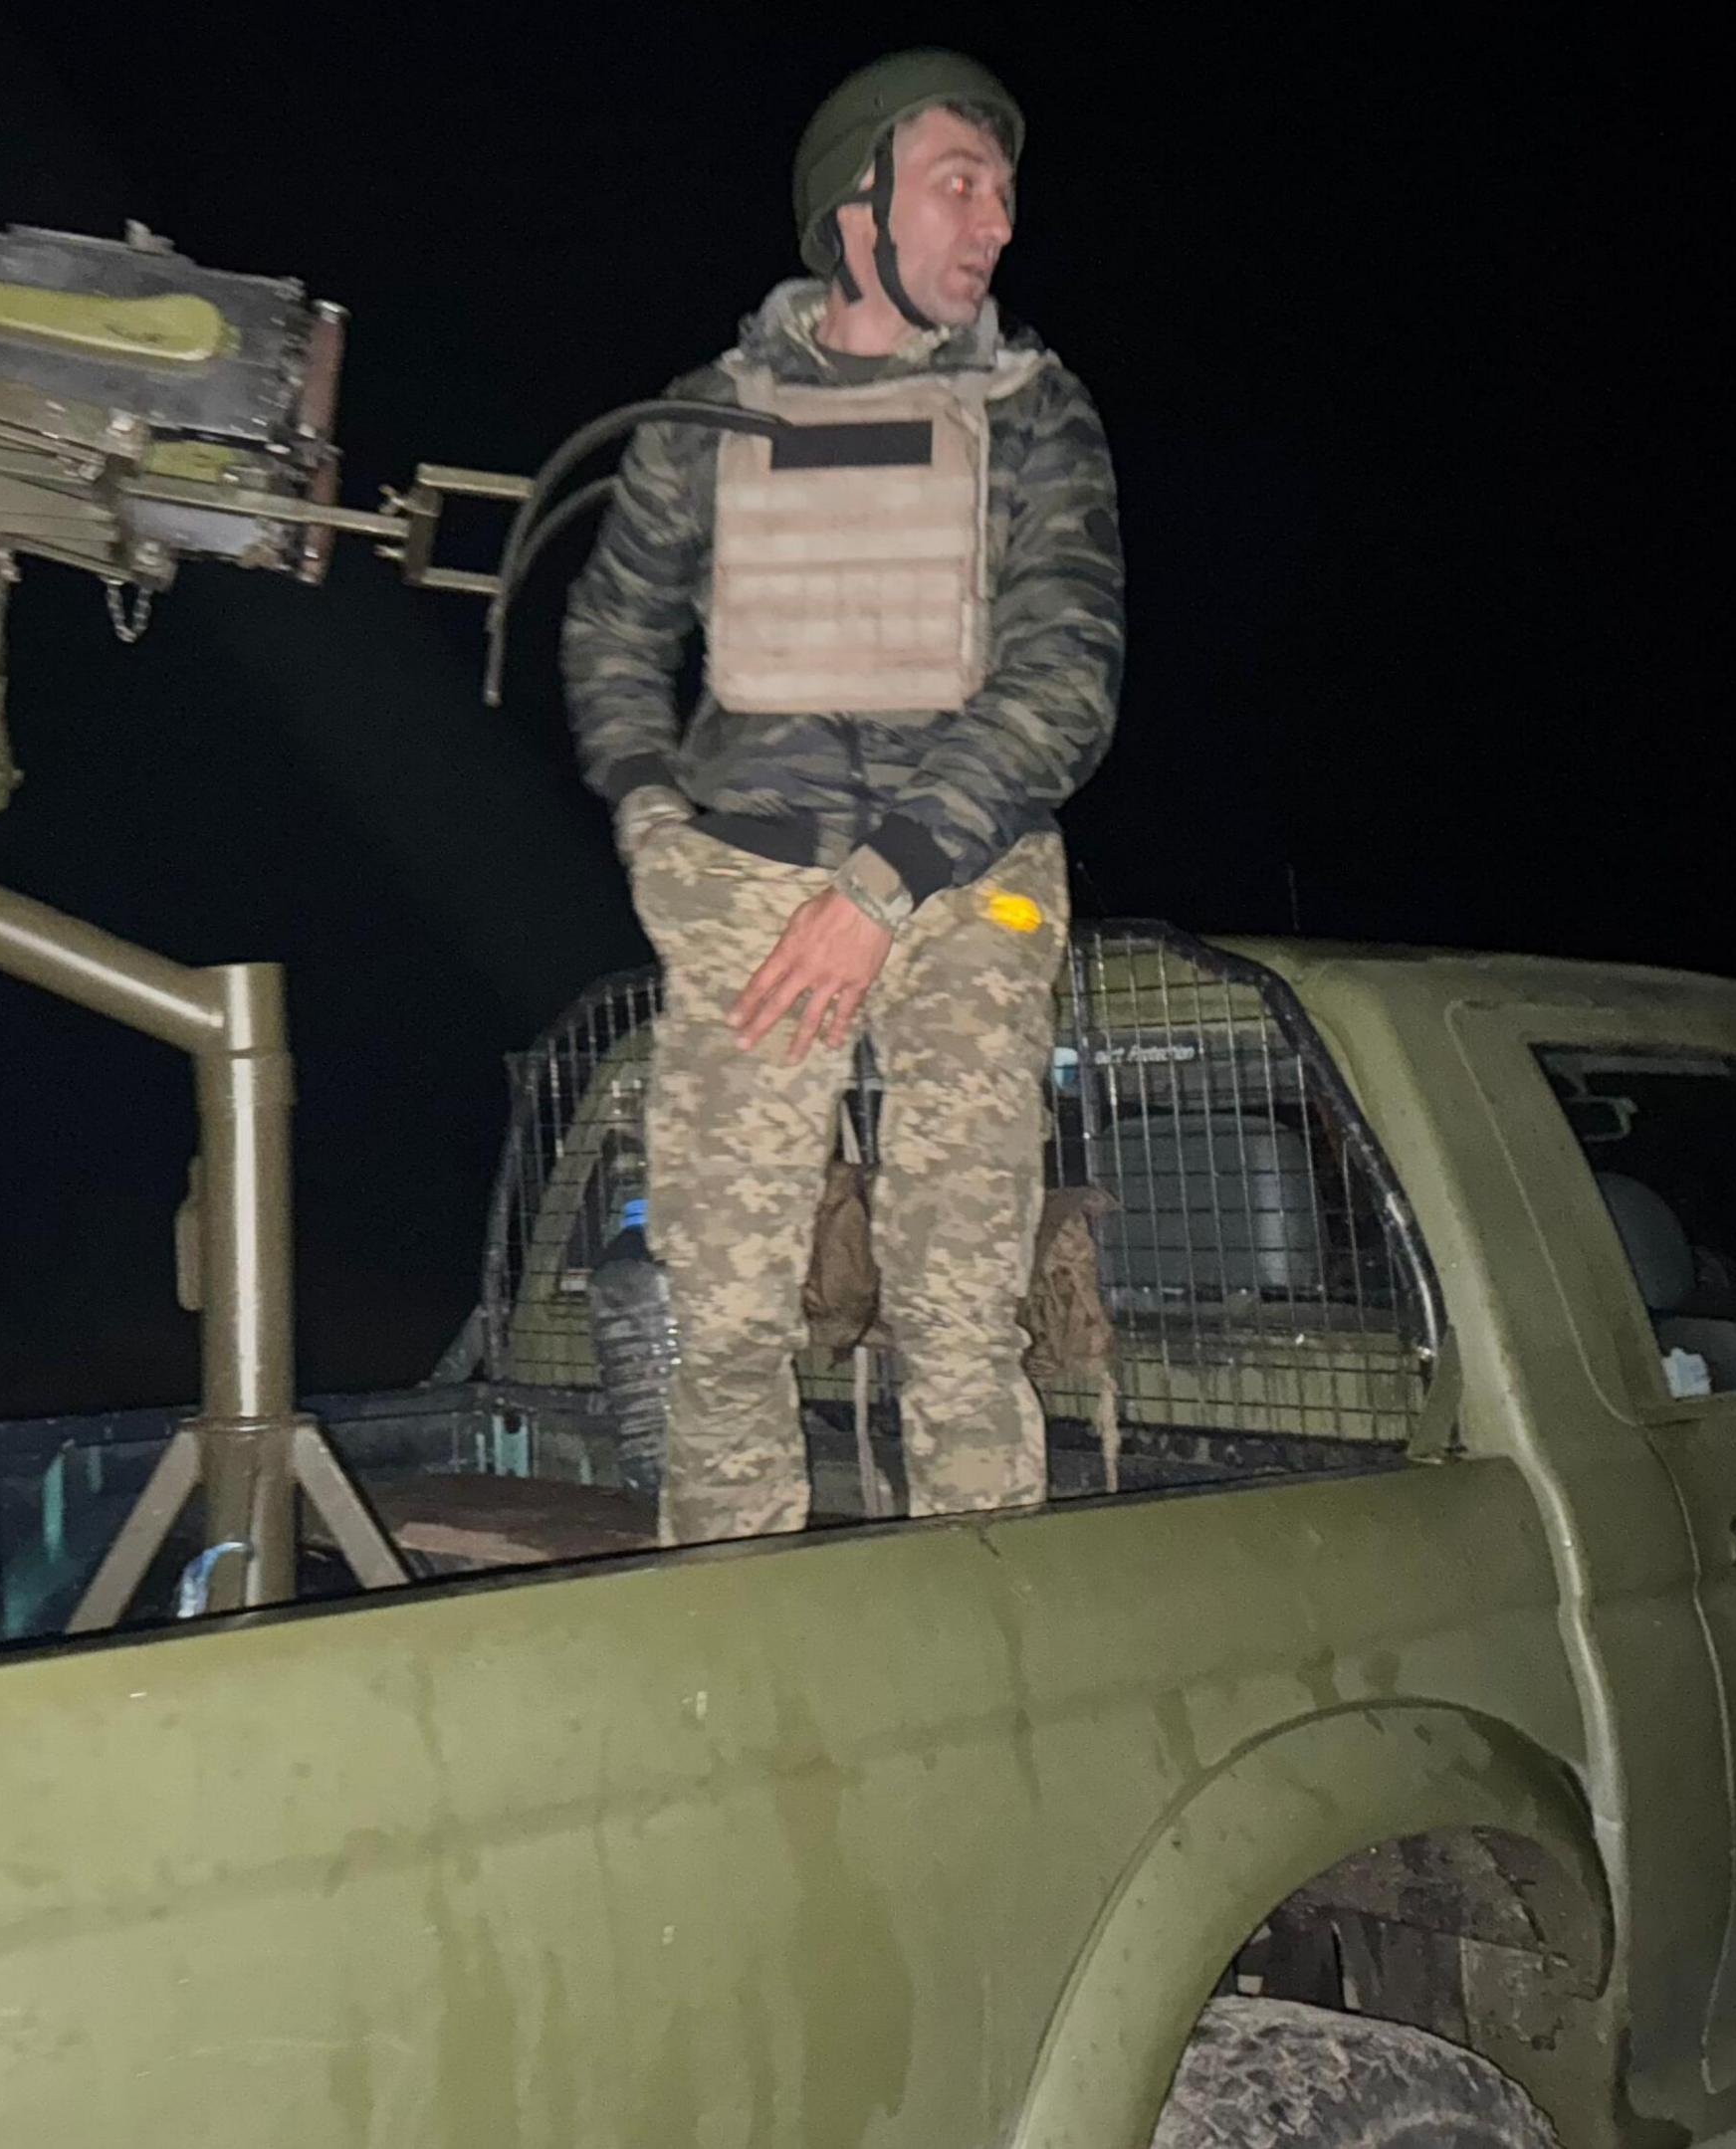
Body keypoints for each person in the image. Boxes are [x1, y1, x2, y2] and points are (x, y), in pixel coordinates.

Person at [560, 48, 1125, 1545]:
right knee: (726, 1319)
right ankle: (742, 1645)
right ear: (856, 202)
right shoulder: (712, 417)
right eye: (961, 181)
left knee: (960, 1312)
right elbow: (613, 630)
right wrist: (647, 824)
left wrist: (883, 885)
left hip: (963, 873)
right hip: (741, 874)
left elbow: (1067, 677)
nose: (995, 219)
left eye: (1005, 193)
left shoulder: (1036, 414)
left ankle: (979, 1638)